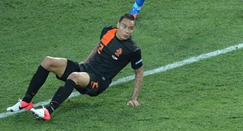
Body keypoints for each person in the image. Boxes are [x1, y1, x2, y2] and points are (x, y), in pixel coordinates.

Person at [6, 14, 143, 121]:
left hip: (98, 81)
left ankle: (48, 111)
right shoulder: (107, 30)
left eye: (130, 28)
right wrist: (84, 62)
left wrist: (134, 98)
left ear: (133, 29)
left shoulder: (133, 49)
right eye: (124, 26)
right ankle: (26, 102)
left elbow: (139, 72)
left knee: (74, 77)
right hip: (85, 69)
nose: (126, 31)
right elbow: (98, 47)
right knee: (48, 61)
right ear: (118, 24)